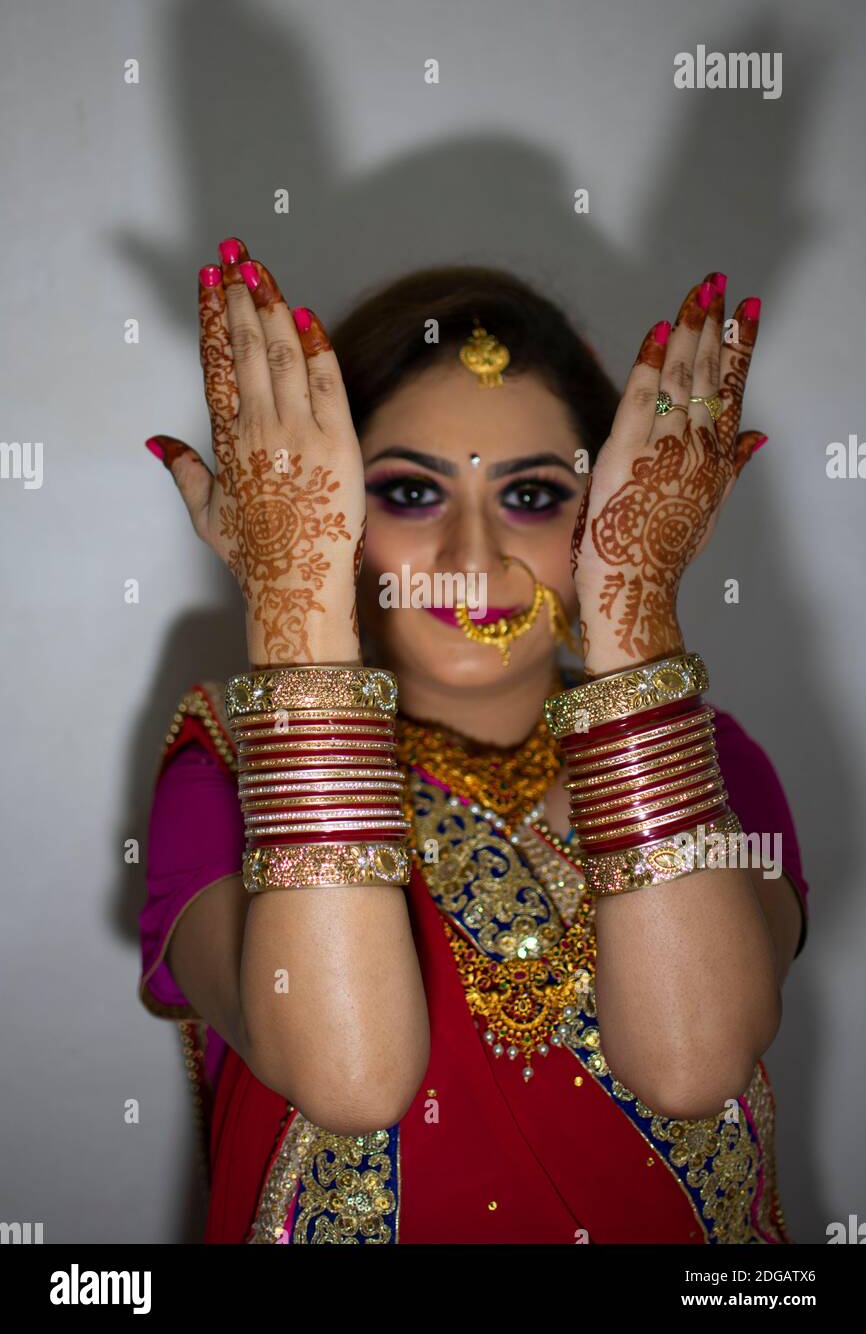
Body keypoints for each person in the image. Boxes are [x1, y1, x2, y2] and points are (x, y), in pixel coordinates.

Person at [138, 238, 809, 1244]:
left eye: (533, 496)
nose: (470, 556)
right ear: (319, 509)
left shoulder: (711, 766)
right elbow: (348, 1075)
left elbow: (690, 1064)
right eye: (407, 493)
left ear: (604, 511)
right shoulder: (224, 774)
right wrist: (290, 603)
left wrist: (629, 604)